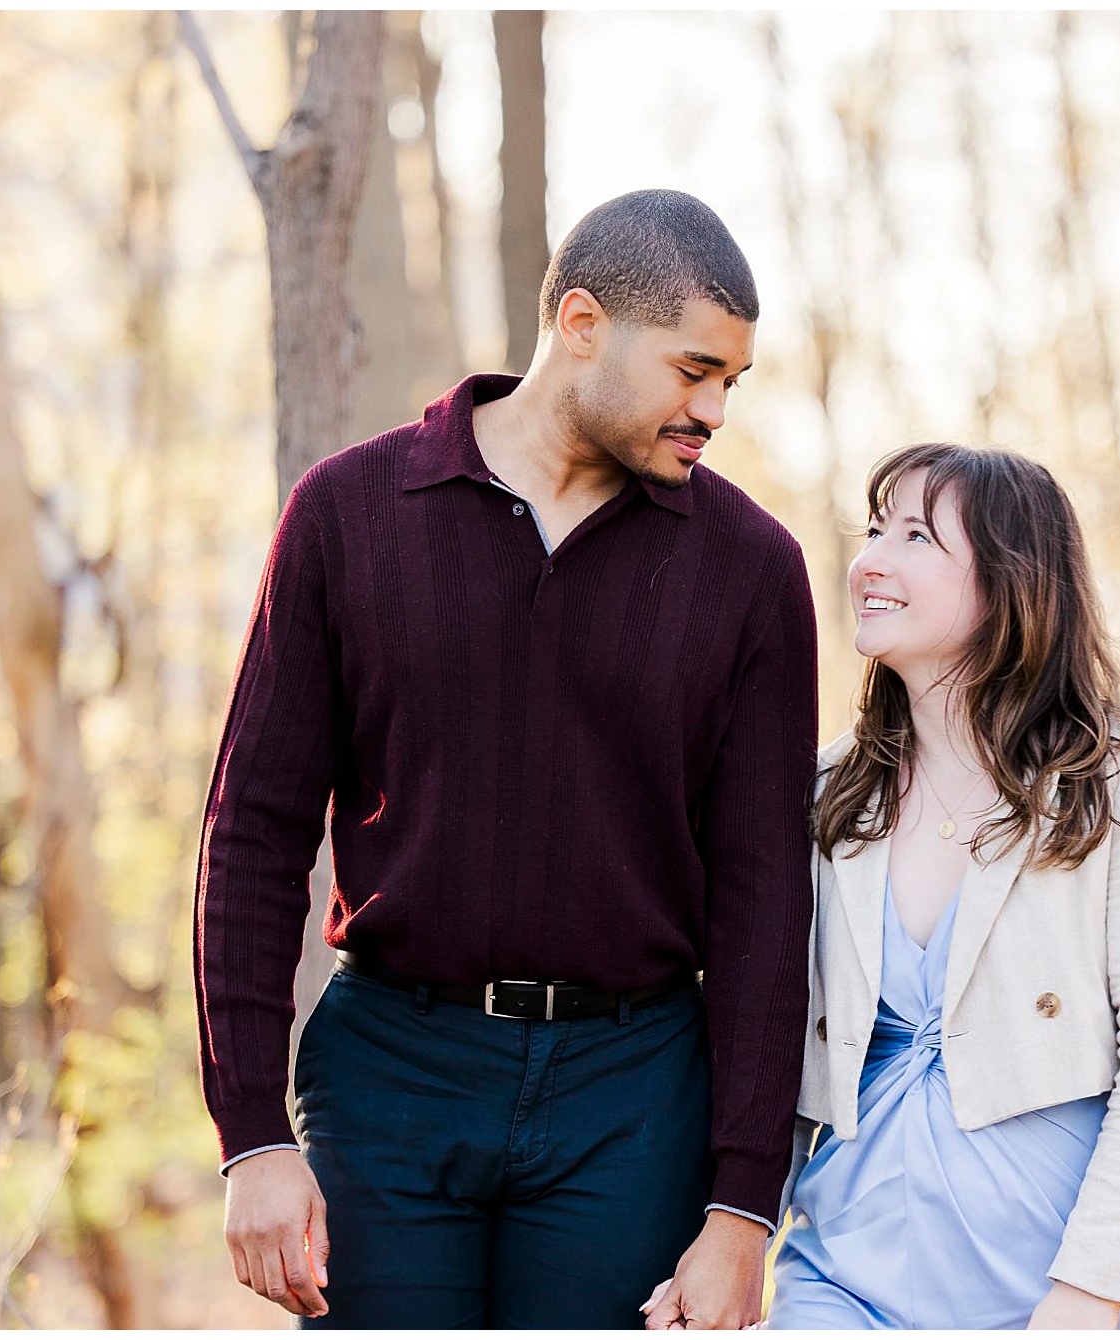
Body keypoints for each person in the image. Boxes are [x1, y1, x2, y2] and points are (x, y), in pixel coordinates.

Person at [194, 189, 818, 1330]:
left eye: (730, 379)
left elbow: (765, 901)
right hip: (390, 1072)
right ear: (580, 323)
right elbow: (251, 829)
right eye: (692, 370)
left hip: (632, 1095)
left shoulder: (752, 571)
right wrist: (251, 1135)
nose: (713, 409)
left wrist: (742, 1205)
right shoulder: (348, 512)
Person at [762, 443, 1120, 1329]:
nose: (871, 561)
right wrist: (739, 1228)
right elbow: (775, 1044)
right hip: (842, 1278)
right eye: (873, 529)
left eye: (915, 536)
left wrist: (1092, 1289)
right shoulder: (831, 791)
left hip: (1055, 1285)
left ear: (1011, 580)